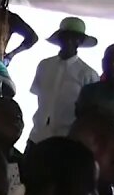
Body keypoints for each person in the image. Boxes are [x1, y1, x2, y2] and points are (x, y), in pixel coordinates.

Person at [27, 17, 99, 146]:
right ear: (59, 38)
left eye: (74, 37)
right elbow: (39, 97)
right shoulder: (44, 65)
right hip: (38, 136)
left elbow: (89, 113)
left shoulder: (88, 74)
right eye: (65, 36)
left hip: (66, 140)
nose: (69, 41)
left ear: (80, 41)